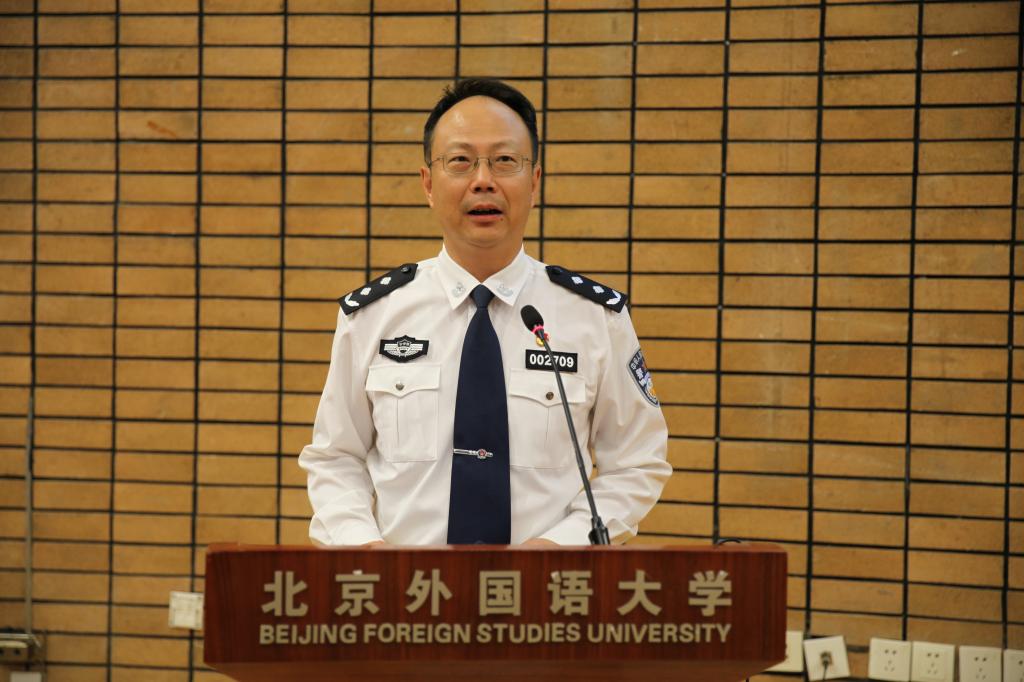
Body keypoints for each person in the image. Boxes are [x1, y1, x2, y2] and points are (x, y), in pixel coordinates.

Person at [298, 78, 670, 547]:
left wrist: (559, 548)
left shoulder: (595, 318)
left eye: (505, 161)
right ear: (428, 184)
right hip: (409, 586)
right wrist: (367, 552)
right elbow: (336, 457)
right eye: (460, 161)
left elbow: (636, 463)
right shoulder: (373, 316)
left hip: (545, 585)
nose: (483, 180)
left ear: (534, 182)